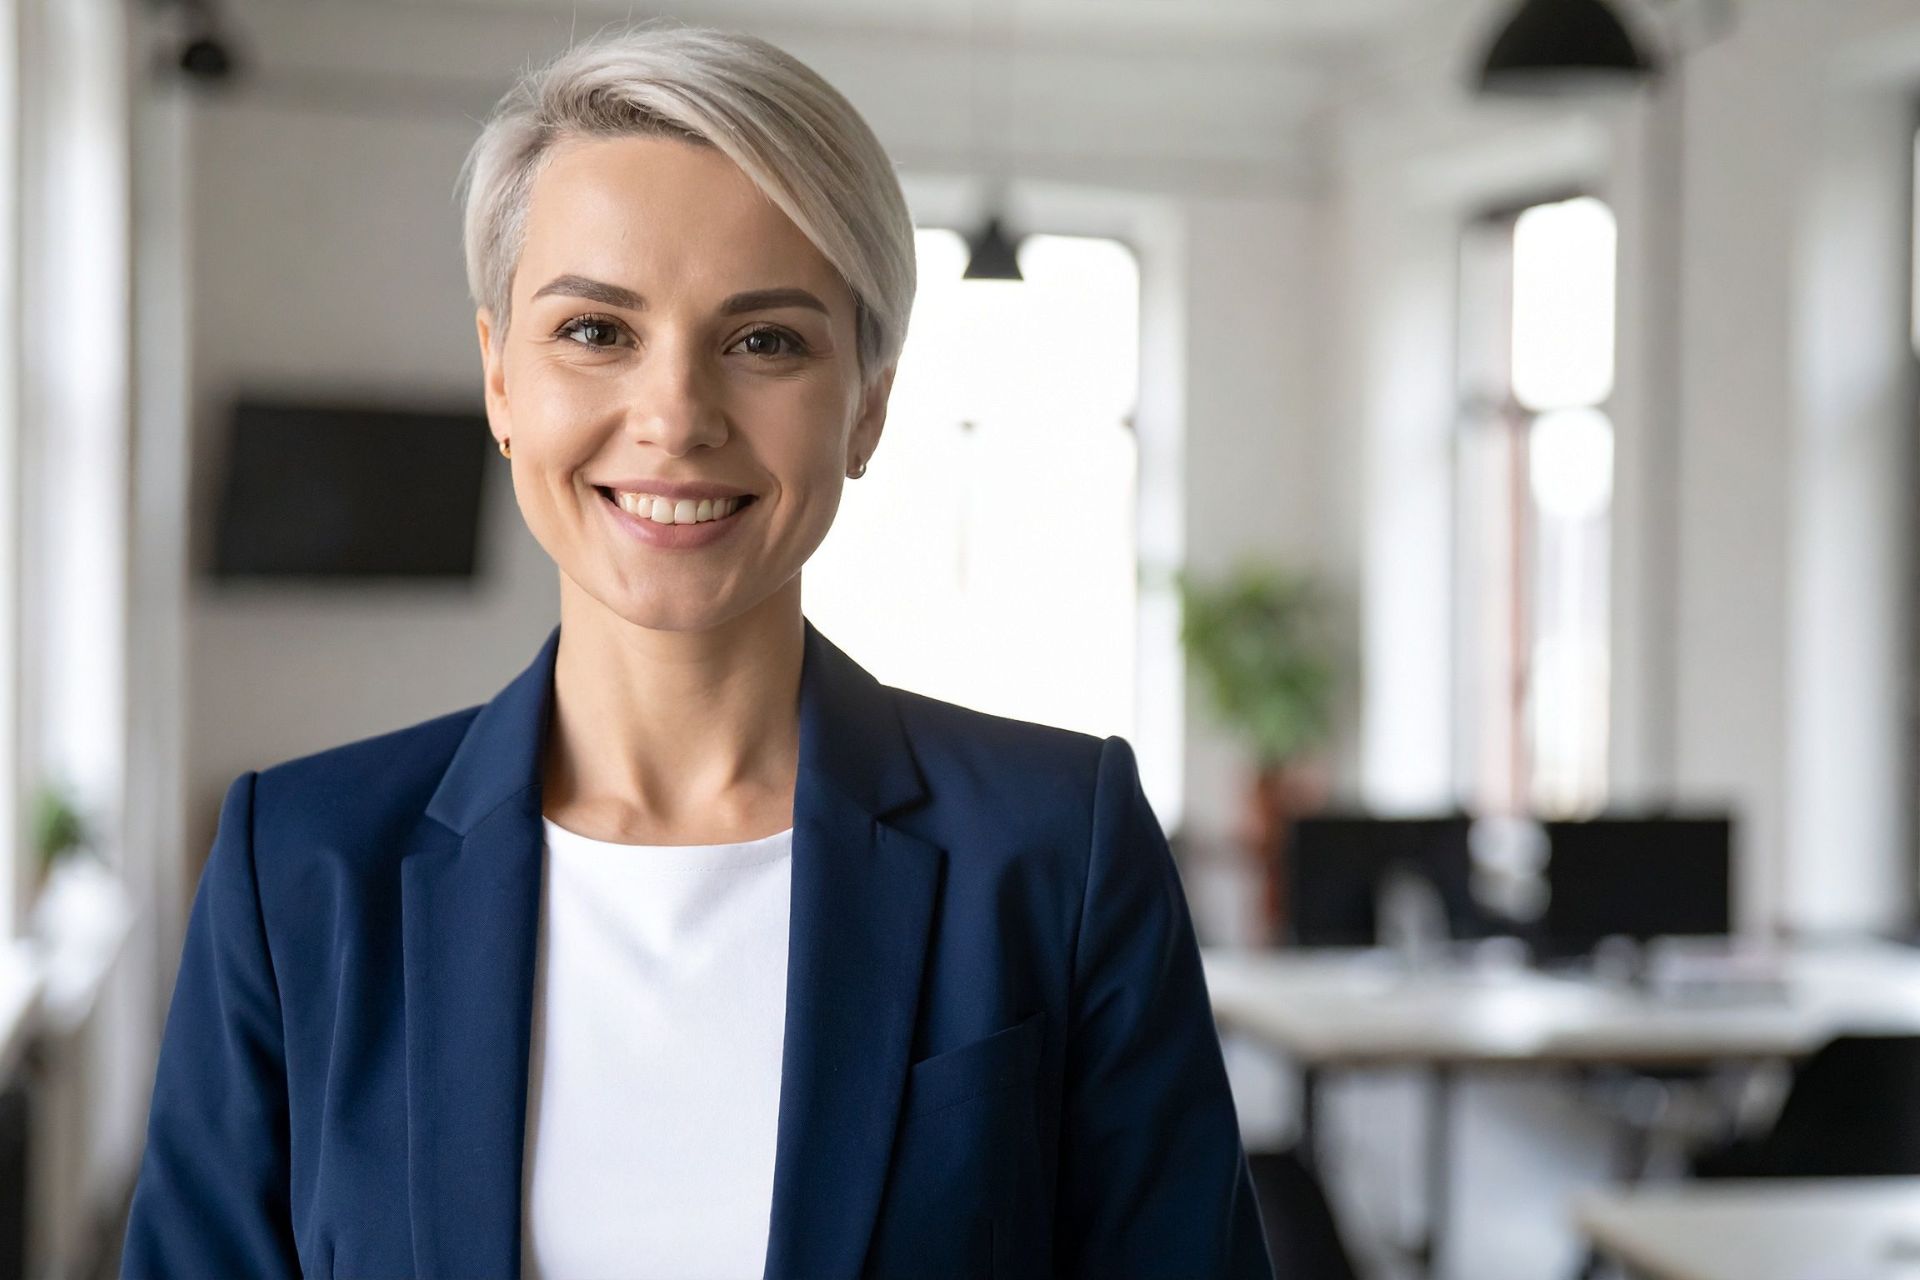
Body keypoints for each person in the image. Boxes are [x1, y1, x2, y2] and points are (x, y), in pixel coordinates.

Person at [121, 22, 1274, 1280]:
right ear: (501, 380)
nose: (674, 416)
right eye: (594, 332)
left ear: (869, 405)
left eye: (765, 339)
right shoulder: (298, 865)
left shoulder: (1058, 850)